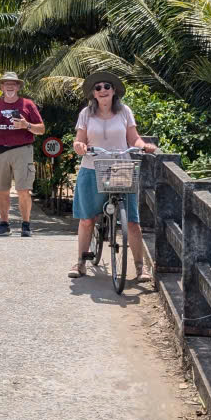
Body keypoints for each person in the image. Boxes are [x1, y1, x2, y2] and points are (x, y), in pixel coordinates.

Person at [69, 72, 157, 280]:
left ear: (114, 90)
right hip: (92, 167)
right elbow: (79, 140)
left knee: (132, 221)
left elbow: (133, 138)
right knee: (87, 219)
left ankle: (140, 267)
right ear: (93, 93)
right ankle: (81, 262)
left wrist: (144, 146)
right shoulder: (86, 114)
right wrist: (80, 147)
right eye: (98, 87)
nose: (102, 90)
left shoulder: (124, 111)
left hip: (121, 167)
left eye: (106, 86)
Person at [0, 71, 45, 237]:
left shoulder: (27, 105)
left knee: (23, 189)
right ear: (1, 87)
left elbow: (41, 129)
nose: (9, 86)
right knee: (2, 190)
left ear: (17, 87)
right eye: (6, 83)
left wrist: (26, 125)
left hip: (22, 150)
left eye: (13, 83)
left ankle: (26, 225)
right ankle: (4, 223)